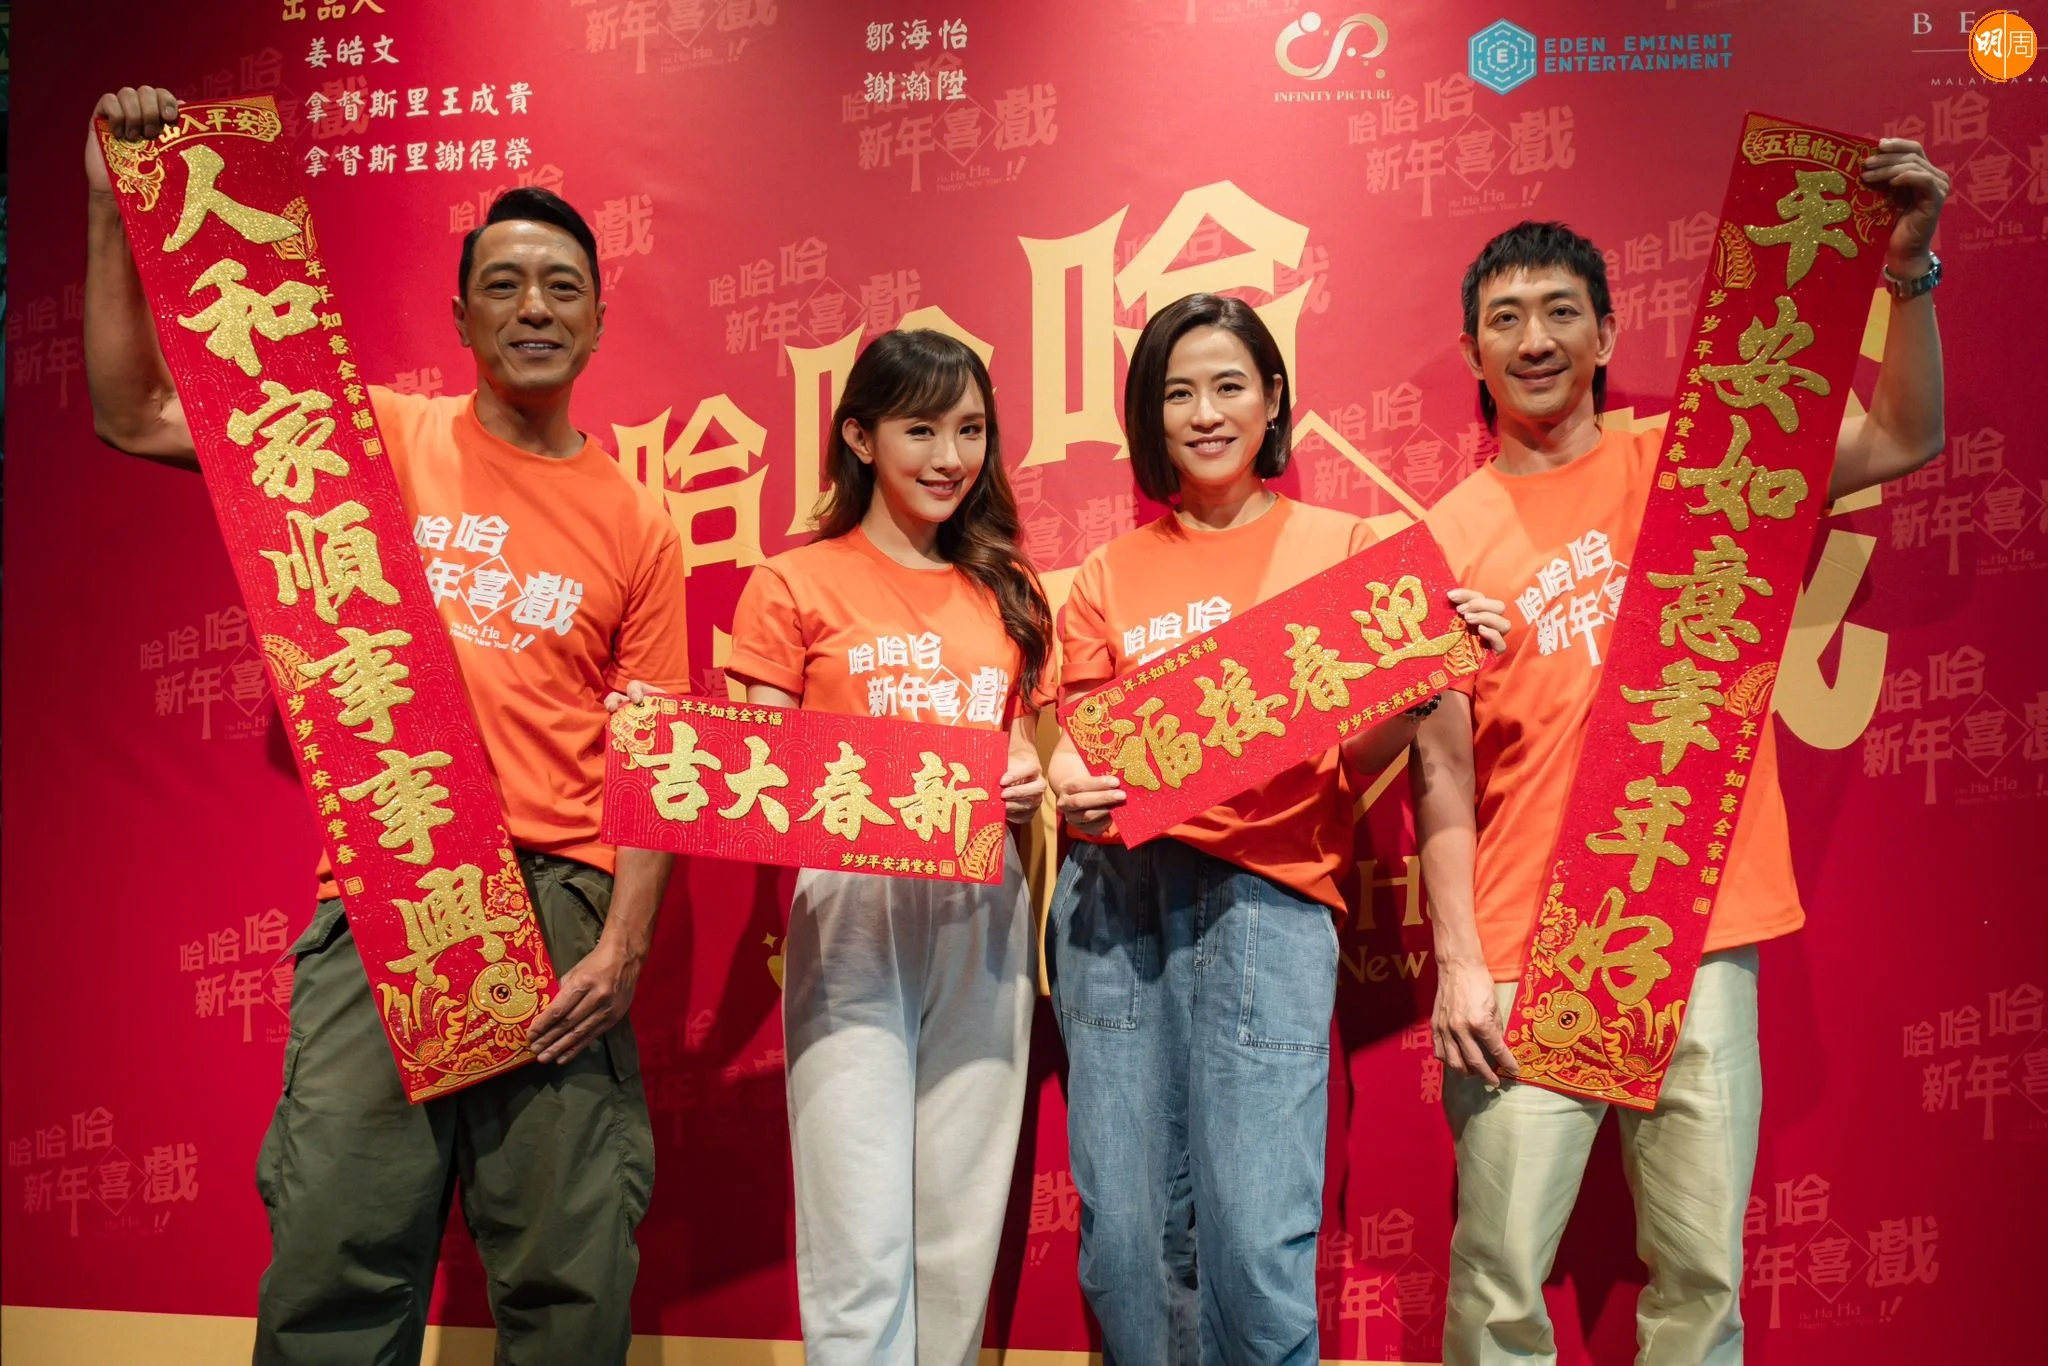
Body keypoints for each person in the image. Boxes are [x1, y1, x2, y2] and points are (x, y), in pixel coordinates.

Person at [84, 85, 689, 1365]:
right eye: (505, 285)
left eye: (563, 287)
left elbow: (654, 752)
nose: (535, 307)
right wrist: (109, 206)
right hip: (388, 885)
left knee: (570, 1283)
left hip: (562, 914)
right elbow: (133, 413)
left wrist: (624, 945)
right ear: (462, 315)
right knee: (335, 1259)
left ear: (597, 316)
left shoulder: (639, 521)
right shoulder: (365, 438)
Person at [1416, 141, 1950, 1366]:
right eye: (1505, 318)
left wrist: (1906, 271)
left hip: (1693, 917)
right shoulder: (1441, 540)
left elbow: (1902, 434)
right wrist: (1458, 965)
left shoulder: (1699, 459)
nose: (1534, 339)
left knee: (1700, 1278)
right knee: (1496, 1282)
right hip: (1523, 946)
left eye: (1561, 312)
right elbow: (1438, 774)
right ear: (1471, 352)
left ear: (1606, 334)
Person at [1043, 291, 1510, 1364]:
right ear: (1148, 415)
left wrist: (1425, 674)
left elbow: (1357, 763)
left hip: (1270, 898)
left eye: (1228, 386)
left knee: (1254, 1241)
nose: (1205, 413)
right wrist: (1071, 782)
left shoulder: (1350, 549)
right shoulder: (1108, 573)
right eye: (1178, 393)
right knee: (1125, 1245)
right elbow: (1078, 744)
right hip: (1116, 903)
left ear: (1272, 399)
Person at [721, 329, 1052, 1366]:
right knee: (857, 1227)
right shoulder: (792, 583)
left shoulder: (1009, 589)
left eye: (970, 430)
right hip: (852, 908)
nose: (950, 457)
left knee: (958, 1226)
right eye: (921, 430)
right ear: (860, 437)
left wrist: (1028, 778)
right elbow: (760, 778)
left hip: (983, 904)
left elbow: (1032, 750)